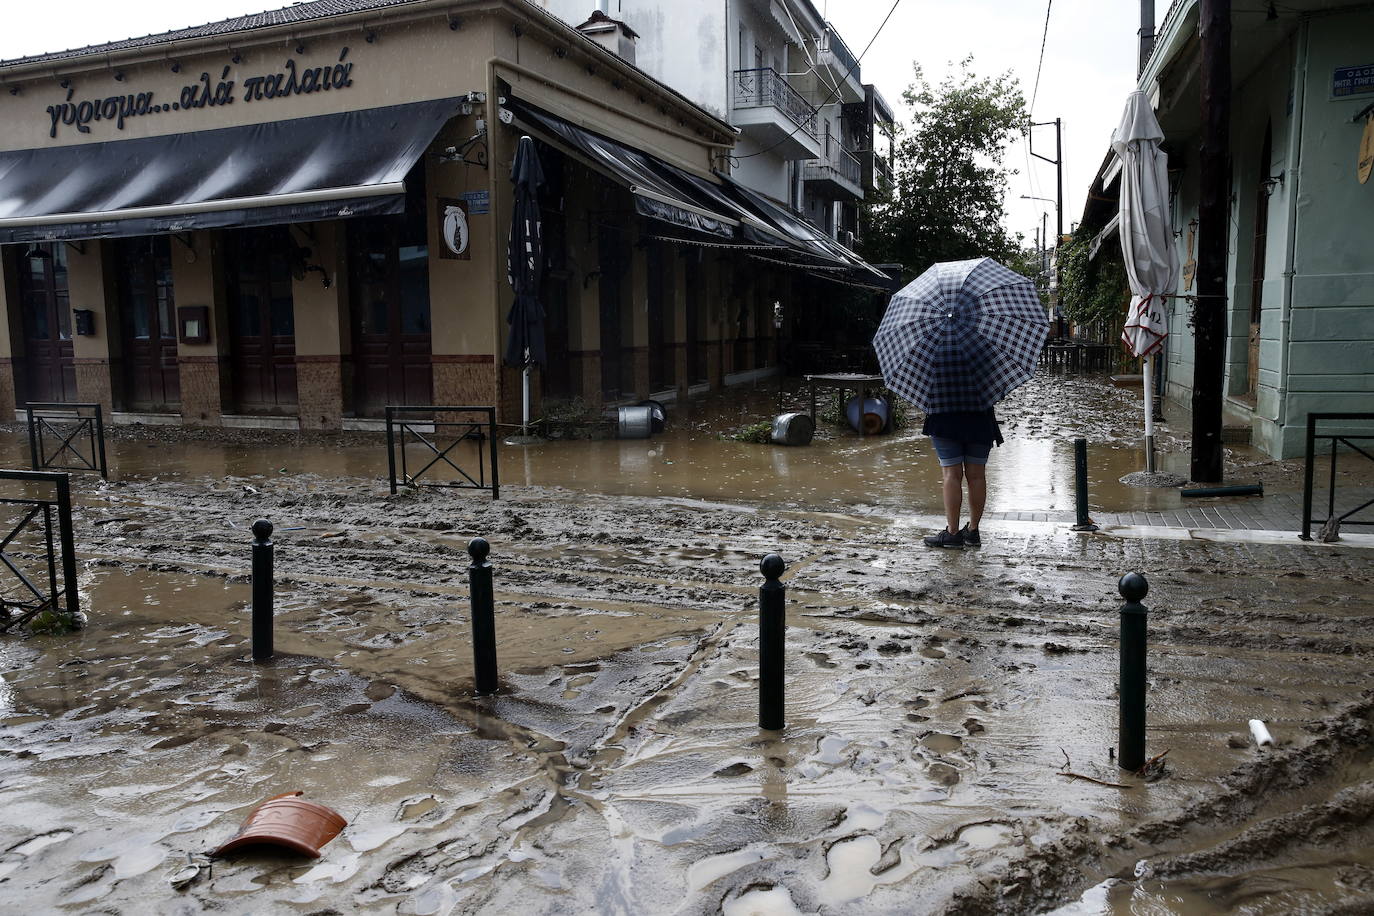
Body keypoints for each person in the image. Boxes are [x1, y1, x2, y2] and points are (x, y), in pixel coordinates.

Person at [922, 408, 1003, 548]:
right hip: (980, 420)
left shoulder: (937, 385)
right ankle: (973, 531)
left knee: (951, 475)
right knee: (977, 476)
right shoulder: (980, 384)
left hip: (944, 419)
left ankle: (952, 533)